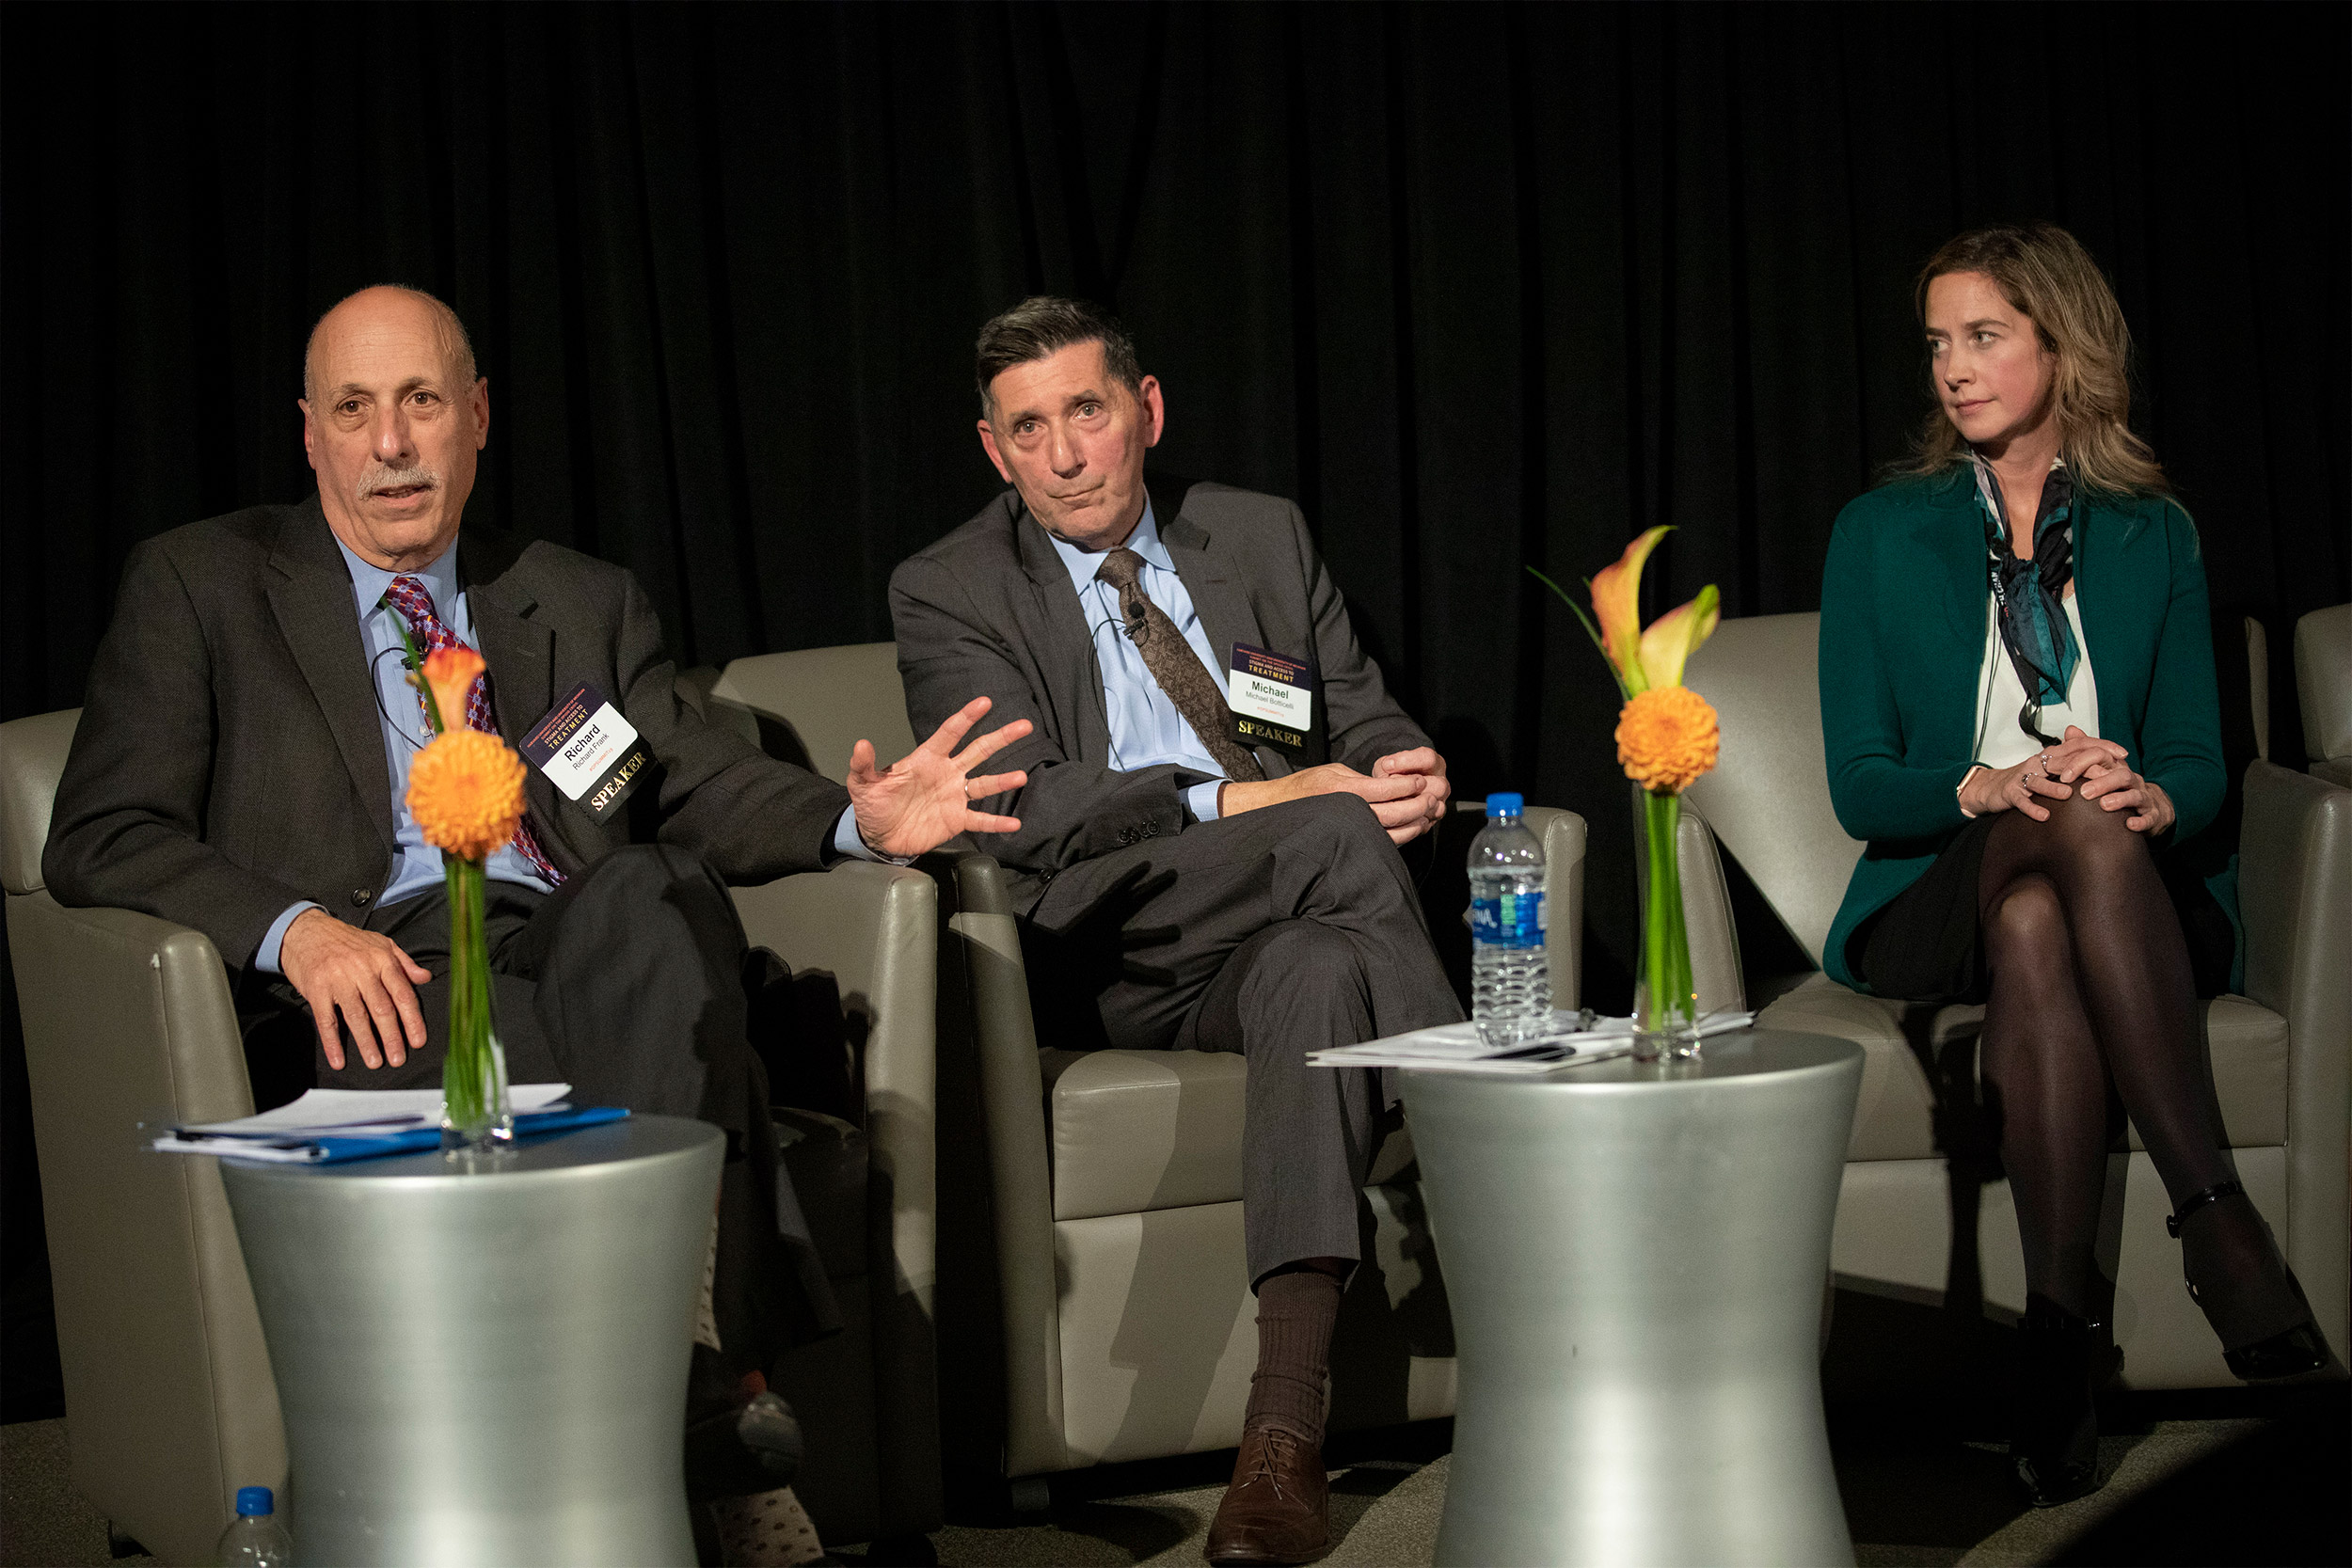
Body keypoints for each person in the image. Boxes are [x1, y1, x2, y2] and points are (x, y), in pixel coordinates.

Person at [42, 285, 1029, 1520]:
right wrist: (294, 933)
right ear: (310, 435)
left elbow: (689, 781)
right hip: (378, 983)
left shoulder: (575, 598)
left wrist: (855, 817)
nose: (392, 443)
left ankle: (690, 1373)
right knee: (660, 1030)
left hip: (568, 943)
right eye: (355, 410)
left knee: (660, 890)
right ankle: (712, 1396)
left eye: (421, 403)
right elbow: (99, 833)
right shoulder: (202, 585)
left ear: (478, 417)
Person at [889, 296, 1461, 1566]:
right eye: (1026, 430)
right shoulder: (948, 585)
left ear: (1143, 413)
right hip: (1103, 942)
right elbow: (1022, 804)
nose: (1064, 454)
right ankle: (1478, 1144)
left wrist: (1396, 764)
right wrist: (1267, 799)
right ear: (995, 450)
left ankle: (1282, 1436)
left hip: (1278, 929)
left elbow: (1354, 714)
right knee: (1328, 833)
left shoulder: (1254, 533)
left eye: (1085, 413)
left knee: (1320, 964)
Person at [1817, 225, 2329, 1507]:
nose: (1952, 367)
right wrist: (1982, 784)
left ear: (2064, 343)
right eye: (1938, 342)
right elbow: (1859, 780)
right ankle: (2216, 1216)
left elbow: (2206, 756)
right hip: (1939, 888)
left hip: (2119, 892)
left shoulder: (2153, 534)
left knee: (2051, 910)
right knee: (2044, 838)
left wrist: (2152, 791)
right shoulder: (1882, 532)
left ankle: (2054, 1346)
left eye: (1983, 335)